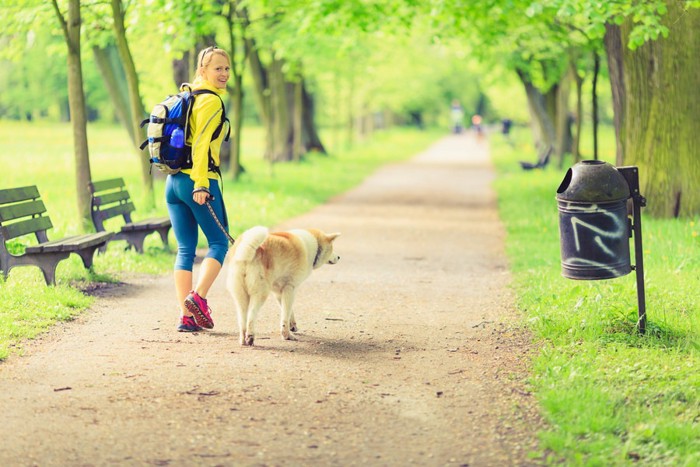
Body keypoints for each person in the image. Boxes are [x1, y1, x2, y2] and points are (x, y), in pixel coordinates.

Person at [166, 46, 232, 332]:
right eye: (217, 68)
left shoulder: (188, 94)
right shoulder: (211, 101)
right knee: (218, 243)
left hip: (174, 182)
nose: (224, 74)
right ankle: (198, 298)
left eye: (227, 68)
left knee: (185, 248)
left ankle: (186, 317)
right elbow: (203, 143)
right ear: (202, 70)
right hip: (197, 180)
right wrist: (202, 184)